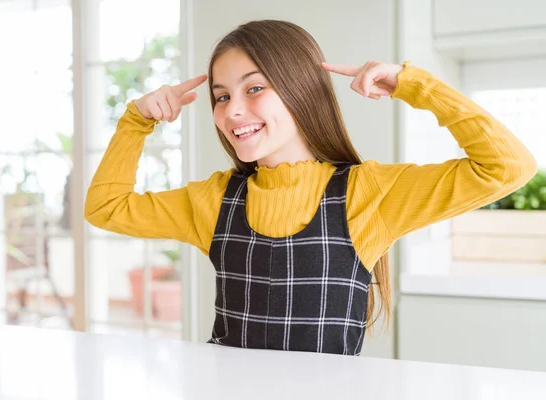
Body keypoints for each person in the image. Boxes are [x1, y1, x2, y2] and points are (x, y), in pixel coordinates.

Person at [84, 20, 537, 355]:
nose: (233, 111)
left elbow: (508, 167)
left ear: (300, 89)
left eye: (254, 88)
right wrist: (135, 123)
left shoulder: (368, 194)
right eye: (222, 96)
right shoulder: (215, 199)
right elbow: (105, 207)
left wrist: (413, 84)